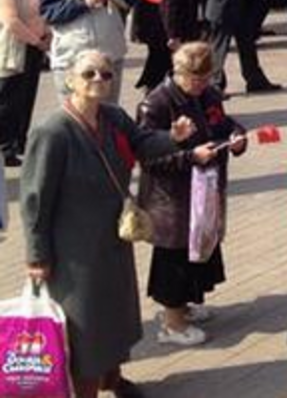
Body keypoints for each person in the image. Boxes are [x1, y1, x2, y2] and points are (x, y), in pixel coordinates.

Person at [22, 49, 195, 398]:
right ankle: (84, 389)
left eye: (105, 73)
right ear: (70, 78)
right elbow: (35, 200)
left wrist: (172, 138)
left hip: (113, 237)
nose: (99, 80)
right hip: (74, 248)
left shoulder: (113, 117)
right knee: (83, 324)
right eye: (89, 74)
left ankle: (112, 380)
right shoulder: (53, 131)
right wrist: (37, 256)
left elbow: (143, 144)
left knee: (115, 313)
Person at [137, 42, 246, 346]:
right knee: (174, 258)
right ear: (178, 72)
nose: (199, 85)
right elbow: (148, 156)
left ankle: (184, 307)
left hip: (203, 190)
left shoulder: (209, 94)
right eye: (193, 79)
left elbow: (222, 123)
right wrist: (189, 156)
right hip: (171, 198)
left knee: (199, 251)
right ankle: (171, 323)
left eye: (204, 78)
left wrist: (236, 136)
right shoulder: (155, 104)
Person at [0, 0, 49, 166]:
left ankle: (20, 140)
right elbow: (11, 22)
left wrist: (46, 32)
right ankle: (5, 146)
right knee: (9, 98)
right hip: (17, 46)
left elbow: (41, 6)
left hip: (36, 42)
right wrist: (35, 40)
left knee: (27, 95)